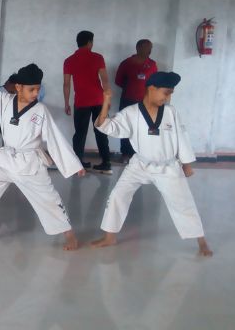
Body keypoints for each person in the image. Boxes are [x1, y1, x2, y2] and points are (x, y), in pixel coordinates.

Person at [0, 52, 86, 250]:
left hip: (30, 162)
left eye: (38, 89)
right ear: (18, 87)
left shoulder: (40, 111)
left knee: (49, 200)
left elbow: (55, 139)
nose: (35, 93)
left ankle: (70, 236)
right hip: (5, 158)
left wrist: (74, 164)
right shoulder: (4, 101)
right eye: (31, 89)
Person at [90, 72, 212, 256]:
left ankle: (201, 241)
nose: (167, 97)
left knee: (183, 203)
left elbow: (182, 137)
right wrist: (106, 101)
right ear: (152, 88)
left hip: (167, 167)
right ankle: (109, 237)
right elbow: (105, 126)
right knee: (117, 196)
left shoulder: (171, 112)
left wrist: (187, 164)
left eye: (170, 94)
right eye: (166, 92)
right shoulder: (131, 113)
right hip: (139, 165)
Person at [63, 30, 112, 174]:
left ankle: (78, 163)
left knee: (80, 133)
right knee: (101, 131)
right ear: (90, 42)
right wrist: (107, 100)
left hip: (81, 102)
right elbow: (105, 80)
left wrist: (66, 103)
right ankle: (106, 163)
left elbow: (66, 84)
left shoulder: (69, 60)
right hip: (98, 100)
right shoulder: (98, 58)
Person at [114, 39, 158, 163]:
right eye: (147, 48)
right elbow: (118, 81)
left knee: (143, 128)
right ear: (138, 48)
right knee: (126, 126)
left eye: (150, 48)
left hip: (146, 102)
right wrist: (132, 88)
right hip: (127, 100)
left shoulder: (152, 64)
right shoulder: (126, 63)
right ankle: (125, 153)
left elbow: (155, 82)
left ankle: (140, 154)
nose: (149, 51)